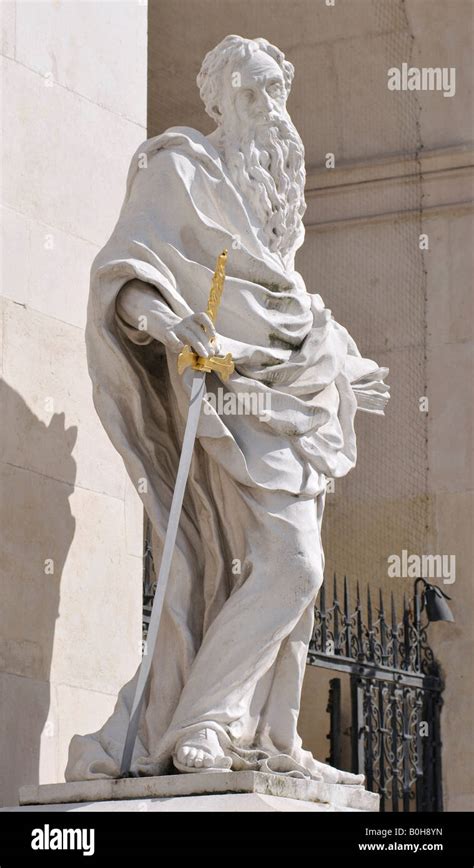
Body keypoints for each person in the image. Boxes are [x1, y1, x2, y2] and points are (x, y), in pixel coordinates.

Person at [65, 35, 388, 784]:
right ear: (217, 97)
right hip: (223, 397)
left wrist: (340, 370)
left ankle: (267, 735)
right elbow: (126, 270)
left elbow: (286, 309)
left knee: (292, 581)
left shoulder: (275, 203)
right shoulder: (182, 169)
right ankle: (200, 725)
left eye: (276, 89)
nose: (268, 107)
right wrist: (168, 321)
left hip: (292, 406)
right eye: (251, 90)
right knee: (292, 568)